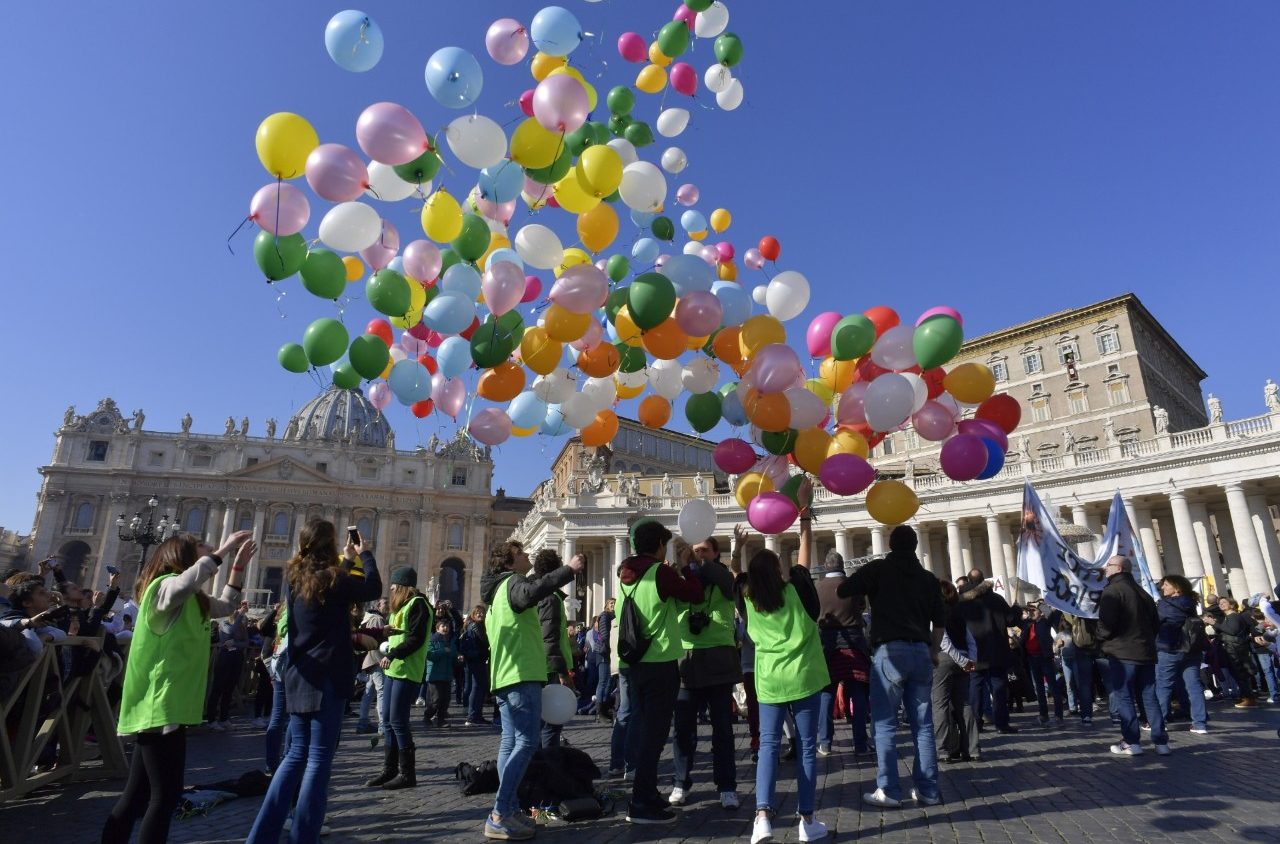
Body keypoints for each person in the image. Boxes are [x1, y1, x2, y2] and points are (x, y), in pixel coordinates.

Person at [100, 529, 254, 844]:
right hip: (160, 703)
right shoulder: (162, 588)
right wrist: (224, 550)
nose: (210, 546)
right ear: (183, 555)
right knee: (165, 797)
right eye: (202, 545)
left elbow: (226, 606)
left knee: (137, 794)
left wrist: (237, 567)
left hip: (168, 704)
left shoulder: (191, 599)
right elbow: (183, 583)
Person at [246, 521, 382, 843]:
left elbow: (327, 593)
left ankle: (260, 836)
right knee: (319, 759)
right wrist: (365, 554)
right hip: (328, 676)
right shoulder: (335, 579)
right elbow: (373, 589)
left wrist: (347, 560)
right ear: (329, 545)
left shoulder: (295, 579)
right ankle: (305, 835)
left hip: (300, 674)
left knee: (295, 756)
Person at [480, 541, 583, 840]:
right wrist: (568, 570)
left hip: (503, 674)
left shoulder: (495, 595)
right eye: (522, 553)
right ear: (509, 562)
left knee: (510, 743)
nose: (528, 556)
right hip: (521, 672)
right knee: (526, 742)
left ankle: (510, 807)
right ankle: (500, 812)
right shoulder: (514, 583)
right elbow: (532, 592)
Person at [839, 526, 946, 808]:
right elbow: (940, 622)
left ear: (890, 544)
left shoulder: (878, 569)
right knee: (923, 725)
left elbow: (844, 589)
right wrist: (934, 651)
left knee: (885, 723)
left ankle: (889, 789)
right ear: (915, 546)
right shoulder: (928, 579)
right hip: (921, 650)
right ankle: (929, 790)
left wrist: (866, 583)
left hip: (889, 651)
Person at [740, 543, 829, 844]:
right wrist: (804, 524)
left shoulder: (749, 601)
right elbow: (802, 567)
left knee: (768, 746)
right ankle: (807, 821)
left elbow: (736, 577)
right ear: (779, 571)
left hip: (770, 680)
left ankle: (762, 817)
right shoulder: (796, 592)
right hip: (804, 675)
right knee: (806, 748)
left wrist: (738, 550)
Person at [617, 519, 704, 825]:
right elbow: (694, 595)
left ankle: (648, 793)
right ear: (658, 545)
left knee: (644, 729)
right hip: (660, 660)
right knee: (655, 735)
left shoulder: (624, 573)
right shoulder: (659, 572)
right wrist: (686, 567)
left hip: (634, 662)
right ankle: (641, 801)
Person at [670, 534, 742, 811]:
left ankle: (727, 786)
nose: (699, 555)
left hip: (719, 658)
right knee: (683, 729)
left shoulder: (723, 579)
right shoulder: (683, 580)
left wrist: (699, 564)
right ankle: (680, 781)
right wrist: (682, 567)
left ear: (715, 554)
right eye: (696, 551)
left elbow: (727, 582)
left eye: (704, 551)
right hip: (687, 658)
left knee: (722, 729)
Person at [1096, 555, 1168, 756]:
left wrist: (1099, 637)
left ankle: (1131, 741)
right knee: (1149, 697)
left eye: (1109, 565)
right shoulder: (1143, 592)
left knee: (1124, 697)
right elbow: (1155, 624)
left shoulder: (1112, 590)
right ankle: (1161, 742)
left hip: (1122, 652)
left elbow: (1106, 624)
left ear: (1119, 568)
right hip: (1145, 652)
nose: (1106, 568)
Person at [367, 567, 429, 789]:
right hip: (393, 669)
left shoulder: (418, 605)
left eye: (394, 587)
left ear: (403, 586)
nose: (391, 591)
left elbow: (416, 639)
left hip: (406, 669)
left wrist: (393, 654)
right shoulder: (401, 607)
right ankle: (389, 769)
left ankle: (407, 774)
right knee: (387, 721)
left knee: (398, 721)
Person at [814, 549, 871, 757]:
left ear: (826, 566)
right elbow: (862, 606)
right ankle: (861, 743)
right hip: (853, 641)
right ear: (842, 565)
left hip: (826, 644)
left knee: (826, 692)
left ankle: (825, 742)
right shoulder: (853, 585)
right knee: (858, 690)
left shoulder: (817, 587)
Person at [957, 569, 1022, 734]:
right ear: (983, 580)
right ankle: (1001, 724)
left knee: (976, 688)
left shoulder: (961, 602)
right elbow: (1011, 620)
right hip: (996, 650)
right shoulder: (996, 599)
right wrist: (1016, 609)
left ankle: (975, 724)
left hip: (974, 651)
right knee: (998, 688)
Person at [1154, 575, 1208, 733]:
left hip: (1170, 648)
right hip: (1192, 649)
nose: (1162, 588)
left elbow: (1155, 622)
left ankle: (1160, 721)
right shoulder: (1190, 602)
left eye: (1166, 585)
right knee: (1194, 685)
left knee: (1164, 685)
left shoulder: (1166, 604)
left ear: (1176, 588)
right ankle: (1200, 723)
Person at [932, 580, 979, 763]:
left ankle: (943, 749)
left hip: (944, 658)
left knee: (940, 705)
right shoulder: (958, 612)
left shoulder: (936, 612)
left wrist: (961, 660)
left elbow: (943, 641)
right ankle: (972, 749)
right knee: (964, 705)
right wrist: (970, 660)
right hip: (963, 657)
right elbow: (970, 639)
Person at [533, 548, 575, 750]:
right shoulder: (550, 598)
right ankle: (547, 763)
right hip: (550, 668)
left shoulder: (539, 594)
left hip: (542, 665)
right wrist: (562, 671)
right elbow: (549, 637)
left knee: (544, 722)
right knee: (551, 723)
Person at [205, 600, 250, 730]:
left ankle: (224, 718)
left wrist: (234, 643)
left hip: (237, 657)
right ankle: (211, 719)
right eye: (236, 609)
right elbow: (229, 633)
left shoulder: (241, 625)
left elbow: (246, 642)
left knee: (229, 689)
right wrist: (240, 616)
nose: (237, 611)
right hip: (225, 657)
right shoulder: (223, 622)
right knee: (217, 688)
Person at [1019, 604, 1065, 725]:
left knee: (1053, 687)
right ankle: (1043, 715)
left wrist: (1039, 605)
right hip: (1032, 659)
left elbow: (1050, 612)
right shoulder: (1027, 624)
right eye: (1029, 610)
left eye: (1034, 610)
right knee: (1039, 689)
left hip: (1044, 658)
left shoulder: (1044, 622)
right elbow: (1015, 616)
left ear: (1040, 612)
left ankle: (1058, 716)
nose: (1031, 612)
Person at [1215, 596, 1261, 707]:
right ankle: (1245, 696)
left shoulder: (1234, 616)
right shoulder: (1228, 617)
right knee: (1238, 673)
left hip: (1237, 649)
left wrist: (1215, 624)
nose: (1221, 604)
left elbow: (1233, 630)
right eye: (1220, 603)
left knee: (1241, 673)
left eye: (1224, 602)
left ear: (1231, 604)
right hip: (1232, 648)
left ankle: (1249, 698)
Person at [356, 598, 389, 740]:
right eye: (385, 604)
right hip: (376, 660)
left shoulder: (371, 617)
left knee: (369, 692)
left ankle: (362, 723)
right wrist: (381, 659)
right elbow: (376, 642)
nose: (388, 606)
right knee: (381, 691)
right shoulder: (377, 619)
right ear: (378, 606)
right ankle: (383, 725)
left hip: (371, 660)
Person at [460, 604, 492, 726]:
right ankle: (473, 716)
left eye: (482, 612)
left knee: (478, 687)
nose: (480, 614)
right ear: (473, 614)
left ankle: (476, 715)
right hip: (476, 659)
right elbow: (484, 641)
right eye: (478, 612)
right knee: (477, 687)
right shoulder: (476, 626)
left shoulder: (471, 625)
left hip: (475, 659)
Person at [424, 618, 457, 729]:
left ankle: (441, 720)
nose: (445, 628)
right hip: (435, 675)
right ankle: (427, 716)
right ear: (437, 628)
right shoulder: (432, 640)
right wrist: (443, 651)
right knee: (435, 700)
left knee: (445, 700)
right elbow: (430, 655)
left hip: (447, 675)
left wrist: (458, 657)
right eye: (443, 626)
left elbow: (453, 655)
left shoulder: (450, 641)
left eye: (447, 626)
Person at [593, 598, 615, 722]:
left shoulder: (613, 616)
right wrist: (611, 648)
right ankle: (599, 712)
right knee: (603, 681)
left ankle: (605, 710)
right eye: (611, 603)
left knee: (609, 682)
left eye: (615, 603)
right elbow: (605, 635)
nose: (613, 605)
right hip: (603, 651)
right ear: (606, 605)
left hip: (609, 652)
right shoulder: (605, 616)